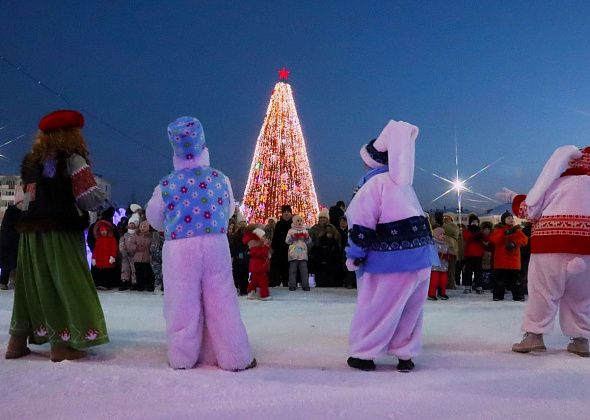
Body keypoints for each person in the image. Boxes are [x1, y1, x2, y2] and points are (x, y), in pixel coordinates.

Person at [146, 116, 255, 371]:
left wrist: (175, 222)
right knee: (222, 298)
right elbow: (228, 211)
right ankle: (234, 355)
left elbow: (154, 218)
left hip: (179, 247)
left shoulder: (167, 183)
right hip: (215, 243)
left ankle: (182, 356)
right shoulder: (220, 178)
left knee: (181, 301)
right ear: (204, 146)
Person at [5, 110, 109, 362]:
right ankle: (61, 345)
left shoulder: (30, 163)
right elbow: (88, 197)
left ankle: (16, 343)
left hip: (31, 234)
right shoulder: (71, 160)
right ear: (71, 135)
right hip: (61, 230)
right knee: (67, 283)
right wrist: (101, 201)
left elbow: (24, 200)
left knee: (32, 285)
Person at [345, 120, 438, 372]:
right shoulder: (406, 186)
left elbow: (361, 221)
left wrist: (354, 254)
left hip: (389, 260)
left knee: (378, 307)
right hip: (420, 258)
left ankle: (364, 353)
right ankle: (405, 354)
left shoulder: (375, 183)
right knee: (410, 309)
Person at [505, 146, 590, 357]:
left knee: (543, 292)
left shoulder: (554, 184)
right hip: (586, 250)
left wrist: (515, 198)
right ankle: (581, 340)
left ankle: (534, 336)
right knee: (582, 297)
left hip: (550, 246)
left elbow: (529, 209)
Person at [489, 211, 527, 301]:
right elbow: (494, 240)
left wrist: (514, 243)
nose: (511, 220)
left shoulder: (517, 230)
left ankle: (519, 296)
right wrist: (504, 233)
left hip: (514, 261)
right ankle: (498, 296)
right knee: (499, 281)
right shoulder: (498, 230)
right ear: (503, 220)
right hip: (501, 261)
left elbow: (525, 240)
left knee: (516, 281)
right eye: (508, 218)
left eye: (511, 218)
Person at [0, 190, 23, 290]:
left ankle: (12, 281)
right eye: (23, 202)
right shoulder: (11, 213)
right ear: (19, 203)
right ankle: (3, 282)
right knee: (7, 264)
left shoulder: (21, 213)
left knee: (14, 263)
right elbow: (7, 229)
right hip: (8, 244)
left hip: (14, 244)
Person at [243, 226, 271, 300]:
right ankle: (264, 295)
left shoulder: (258, 245)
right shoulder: (254, 246)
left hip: (257, 267)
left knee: (254, 281)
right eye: (263, 236)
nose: (265, 238)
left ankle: (250, 293)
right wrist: (266, 246)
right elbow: (262, 254)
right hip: (259, 267)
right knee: (263, 281)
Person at [285, 214, 311, 291]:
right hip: (293, 253)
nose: (299, 222)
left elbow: (309, 241)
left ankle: (305, 285)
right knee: (292, 270)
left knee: (304, 271)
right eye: (297, 221)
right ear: (294, 222)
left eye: (301, 221)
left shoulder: (305, 230)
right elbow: (287, 241)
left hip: (302, 253)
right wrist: (293, 238)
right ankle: (292, 285)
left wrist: (307, 237)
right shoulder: (290, 231)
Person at [462, 214, 486, 294]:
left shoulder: (480, 231)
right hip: (469, 254)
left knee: (478, 272)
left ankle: (478, 286)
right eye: (473, 222)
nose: (475, 223)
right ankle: (468, 286)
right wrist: (477, 235)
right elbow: (467, 238)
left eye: (476, 222)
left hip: (478, 254)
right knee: (468, 271)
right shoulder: (467, 231)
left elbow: (486, 239)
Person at [91, 219, 118, 290]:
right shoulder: (99, 239)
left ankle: (107, 284)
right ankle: (100, 283)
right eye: (102, 231)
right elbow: (95, 249)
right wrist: (94, 258)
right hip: (100, 259)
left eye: (104, 231)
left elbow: (114, 248)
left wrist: (113, 256)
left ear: (108, 230)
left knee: (107, 273)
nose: (103, 232)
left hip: (108, 259)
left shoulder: (112, 239)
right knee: (100, 272)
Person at [130, 220, 156, 292]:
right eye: (141, 226)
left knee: (148, 272)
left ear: (148, 227)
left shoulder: (151, 236)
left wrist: (149, 248)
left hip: (147, 258)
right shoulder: (136, 235)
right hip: (137, 258)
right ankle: (140, 286)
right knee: (138, 273)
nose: (142, 228)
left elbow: (153, 245)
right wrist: (136, 247)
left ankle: (149, 285)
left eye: (144, 226)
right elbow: (131, 245)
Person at [270, 205, 292, 287]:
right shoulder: (279, 224)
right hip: (279, 250)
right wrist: (273, 247)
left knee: (288, 267)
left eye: (288, 212)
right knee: (278, 266)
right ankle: (277, 282)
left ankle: (287, 282)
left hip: (290, 250)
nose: (286, 214)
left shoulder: (293, 224)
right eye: (284, 212)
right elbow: (275, 237)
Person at [428, 227, 450, 301]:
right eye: (441, 234)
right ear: (436, 235)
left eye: (443, 234)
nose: (443, 236)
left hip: (443, 265)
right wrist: (440, 255)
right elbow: (431, 253)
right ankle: (431, 294)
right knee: (434, 280)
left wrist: (447, 256)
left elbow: (448, 252)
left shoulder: (446, 243)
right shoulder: (432, 243)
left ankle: (442, 293)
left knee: (443, 280)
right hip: (435, 266)